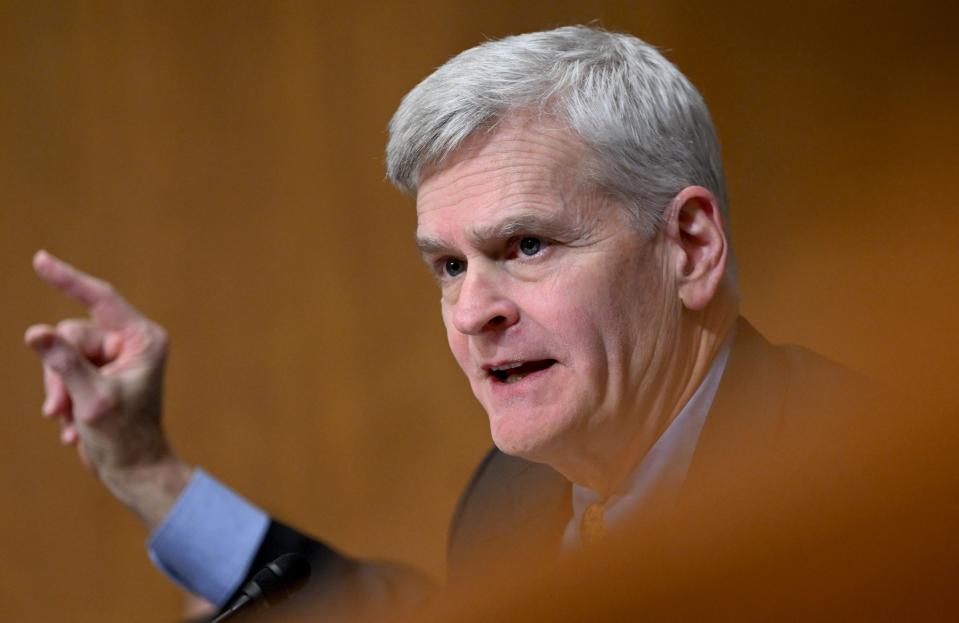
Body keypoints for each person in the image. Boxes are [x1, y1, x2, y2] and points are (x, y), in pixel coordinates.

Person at [24, 25, 894, 619]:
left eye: (525, 244)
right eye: (447, 266)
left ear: (690, 246)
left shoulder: (863, 492)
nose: (475, 311)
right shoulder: (510, 495)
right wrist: (147, 471)